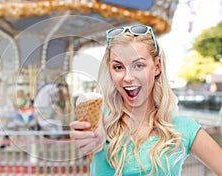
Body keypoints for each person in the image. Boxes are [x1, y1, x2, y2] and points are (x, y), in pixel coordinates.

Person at [70, 24, 222, 176]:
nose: (128, 78)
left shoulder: (183, 128)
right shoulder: (100, 120)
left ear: (157, 67)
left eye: (138, 65)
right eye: (118, 67)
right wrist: (93, 139)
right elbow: (95, 135)